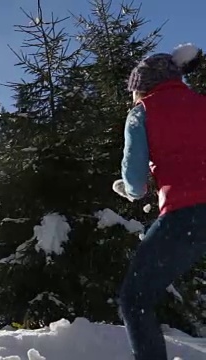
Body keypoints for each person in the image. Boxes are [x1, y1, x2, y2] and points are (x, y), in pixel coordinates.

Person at [112, 43, 206, 360]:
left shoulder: (142, 113)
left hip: (186, 215)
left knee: (135, 299)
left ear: (142, 88)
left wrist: (127, 188)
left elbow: (136, 183)